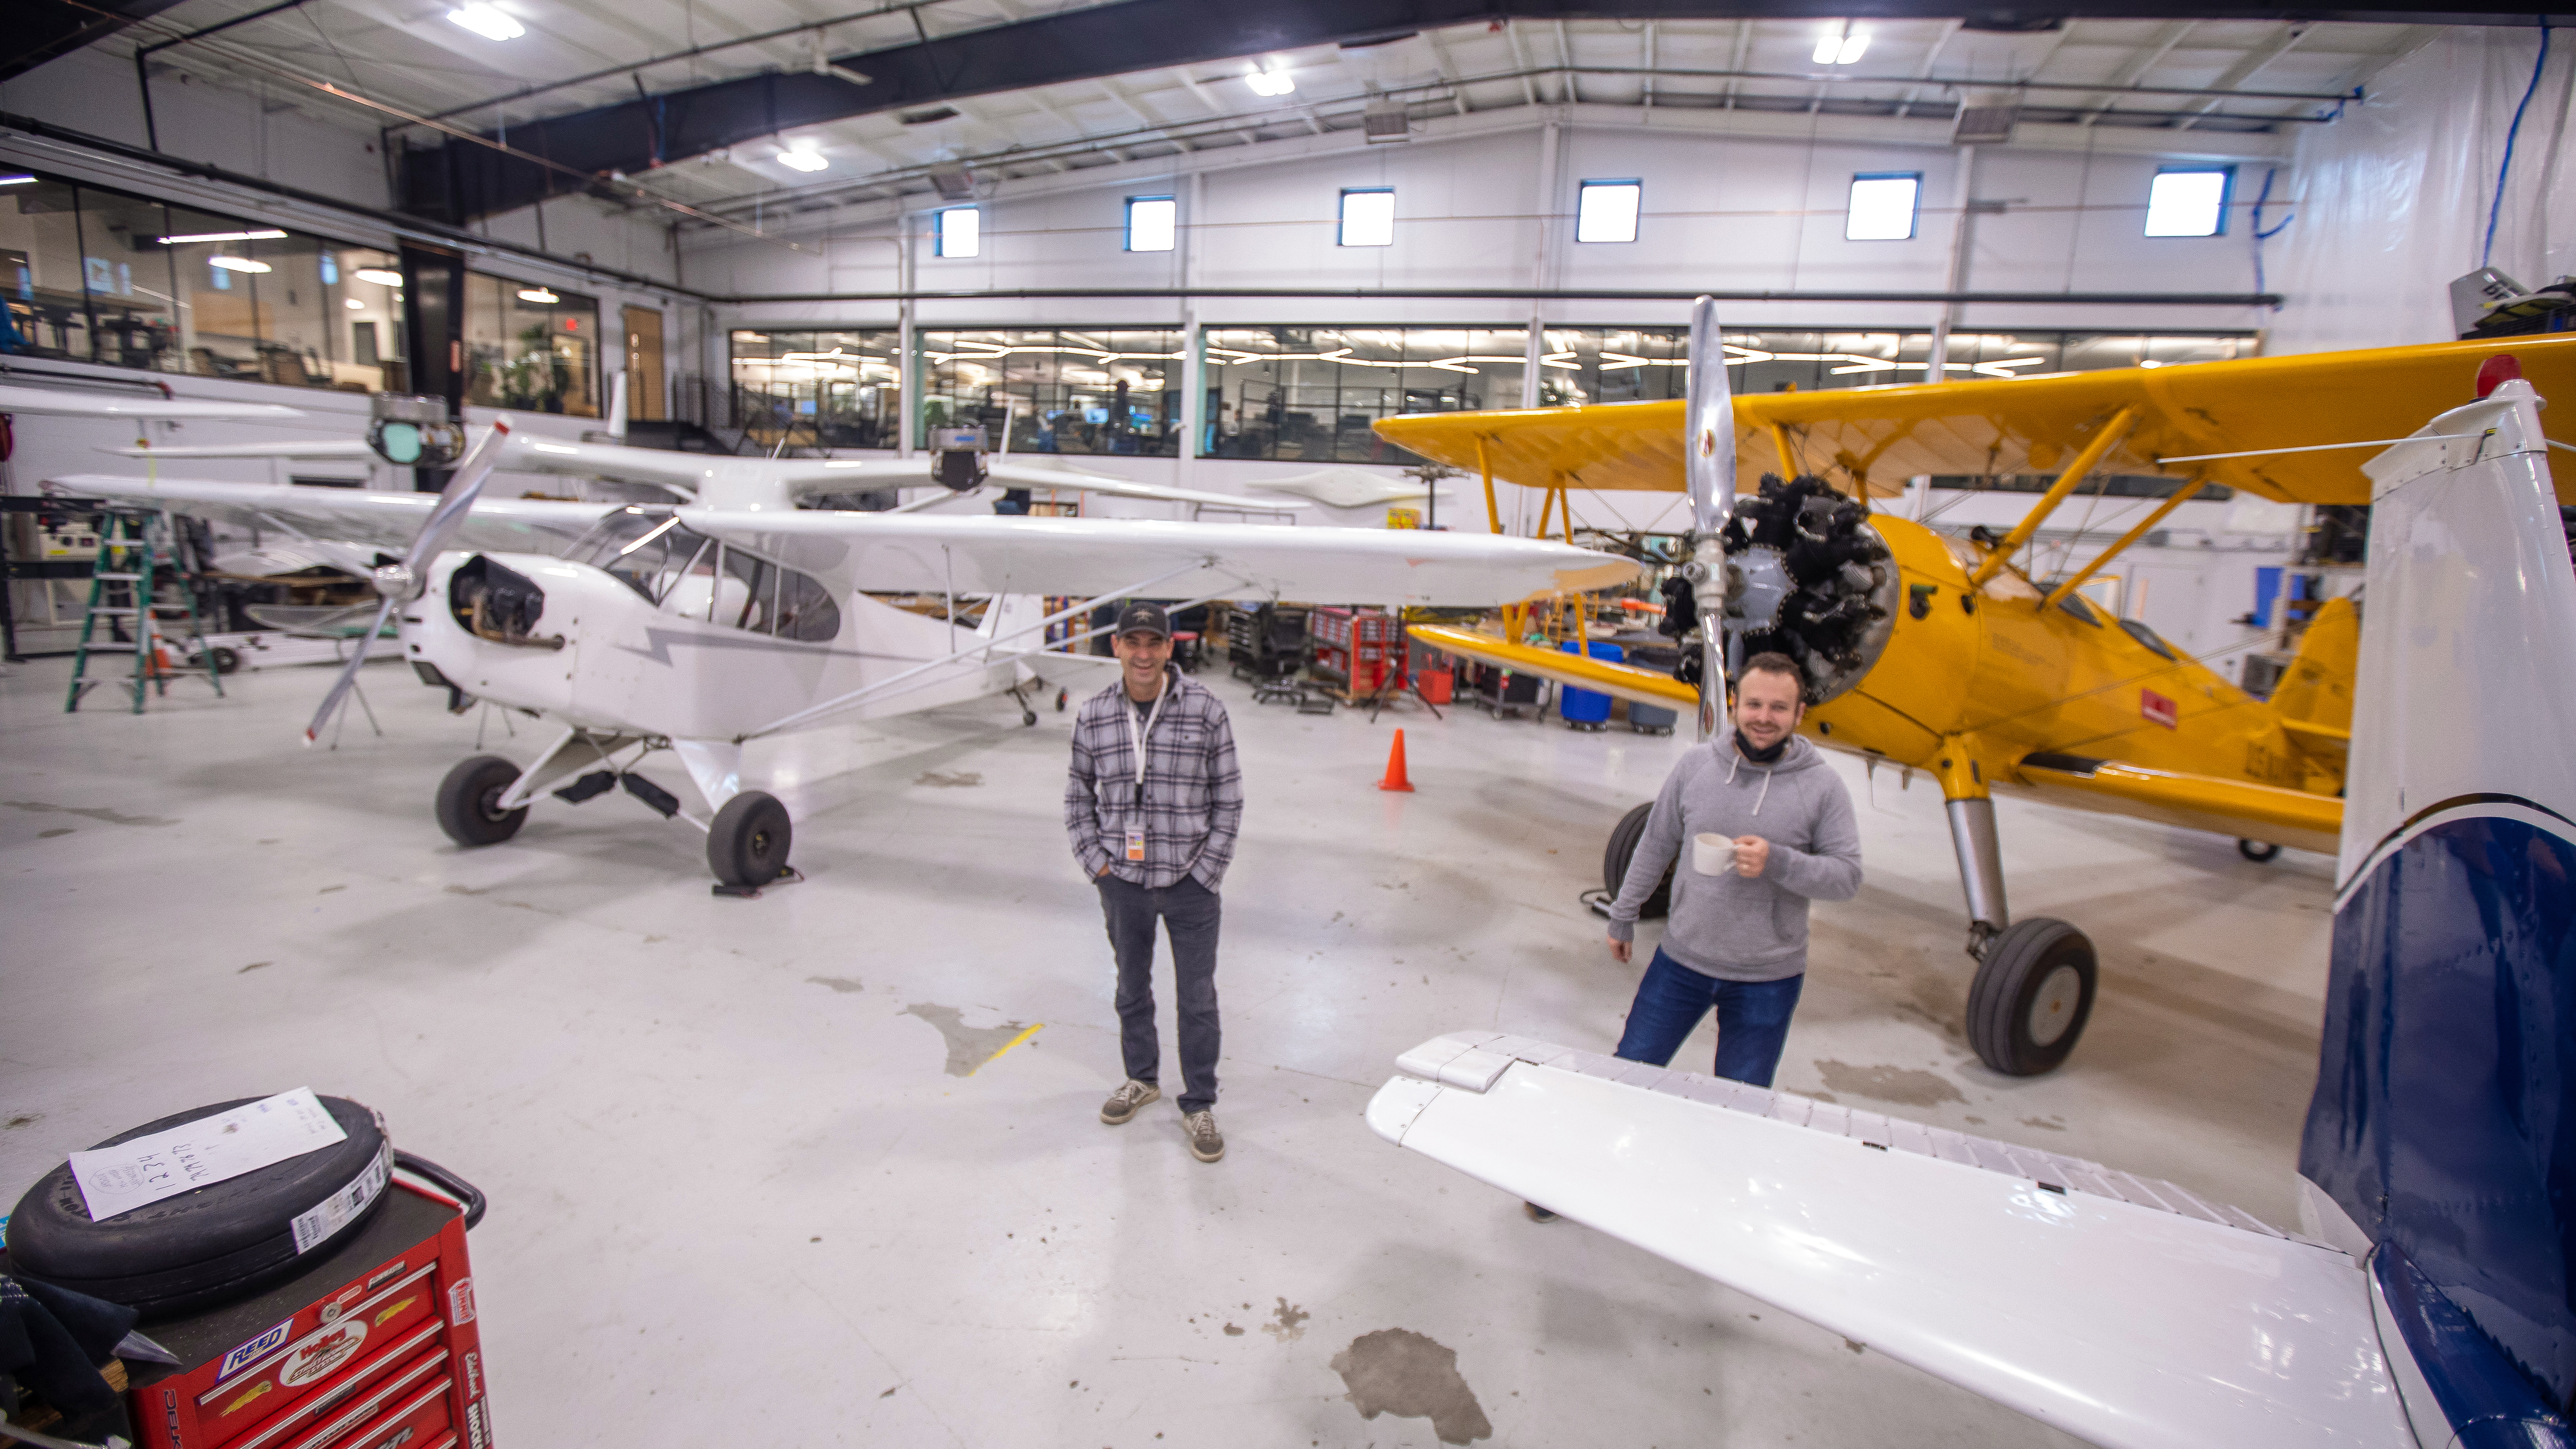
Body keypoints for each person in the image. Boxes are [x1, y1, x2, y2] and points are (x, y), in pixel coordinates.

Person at [1528, 652, 1860, 1223]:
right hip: (1682, 961)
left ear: (1800, 713)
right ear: (1735, 705)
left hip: (1768, 977)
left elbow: (1847, 876)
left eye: (1779, 707)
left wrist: (1780, 862)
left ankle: (1720, 1210)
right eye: (1753, 703)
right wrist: (1623, 914)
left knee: (1741, 1102)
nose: (1763, 716)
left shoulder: (1823, 789)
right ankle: (1570, 1180)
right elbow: (1656, 842)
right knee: (1629, 1072)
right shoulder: (1696, 767)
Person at [1064, 602, 1244, 1163]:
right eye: (1132, 642)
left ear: (1171, 648)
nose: (1143, 654)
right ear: (1116, 647)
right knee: (1130, 989)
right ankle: (1141, 1078)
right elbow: (1077, 797)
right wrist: (1098, 866)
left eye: (1154, 643)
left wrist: (1207, 871)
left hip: (1191, 882)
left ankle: (1199, 1103)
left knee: (1197, 998)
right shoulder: (1094, 715)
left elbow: (1229, 799)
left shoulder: (1206, 710)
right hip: (1124, 882)